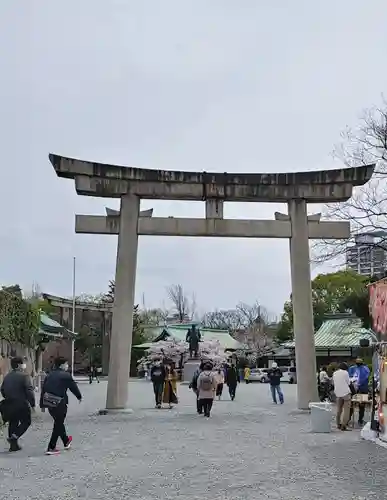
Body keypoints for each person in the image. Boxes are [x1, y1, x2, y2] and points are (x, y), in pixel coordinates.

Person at [40, 356, 82, 455]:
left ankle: (66, 441)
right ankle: (51, 447)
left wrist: (42, 404)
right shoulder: (66, 375)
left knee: (58, 422)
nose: (67, 366)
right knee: (58, 424)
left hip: (49, 402)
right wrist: (79, 396)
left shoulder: (49, 375)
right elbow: (73, 387)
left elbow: (43, 390)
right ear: (62, 365)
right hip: (60, 402)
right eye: (66, 364)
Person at [0, 356, 35, 452]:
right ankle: (15, 437)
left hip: (9, 403)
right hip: (21, 403)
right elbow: (29, 391)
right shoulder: (25, 376)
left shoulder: (7, 376)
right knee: (26, 421)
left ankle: (13, 445)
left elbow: (2, 390)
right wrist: (32, 404)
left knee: (13, 422)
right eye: (23, 363)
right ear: (19, 365)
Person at [348, 357, 370, 426]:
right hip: (362, 389)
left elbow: (349, 378)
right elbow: (366, 378)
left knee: (352, 405)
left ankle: (348, 419)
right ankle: (360, 420)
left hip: (354, 390)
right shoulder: (366, 369)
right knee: (361, 406)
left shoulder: (352, 368)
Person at [333, 362, 352, 431]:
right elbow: (348, 383)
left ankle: (338, 424)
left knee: (339, 409)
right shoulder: (345, 373)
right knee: (346, 410)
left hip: (337, 393)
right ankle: (344, 425)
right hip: (346, 393)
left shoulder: (334, 373)